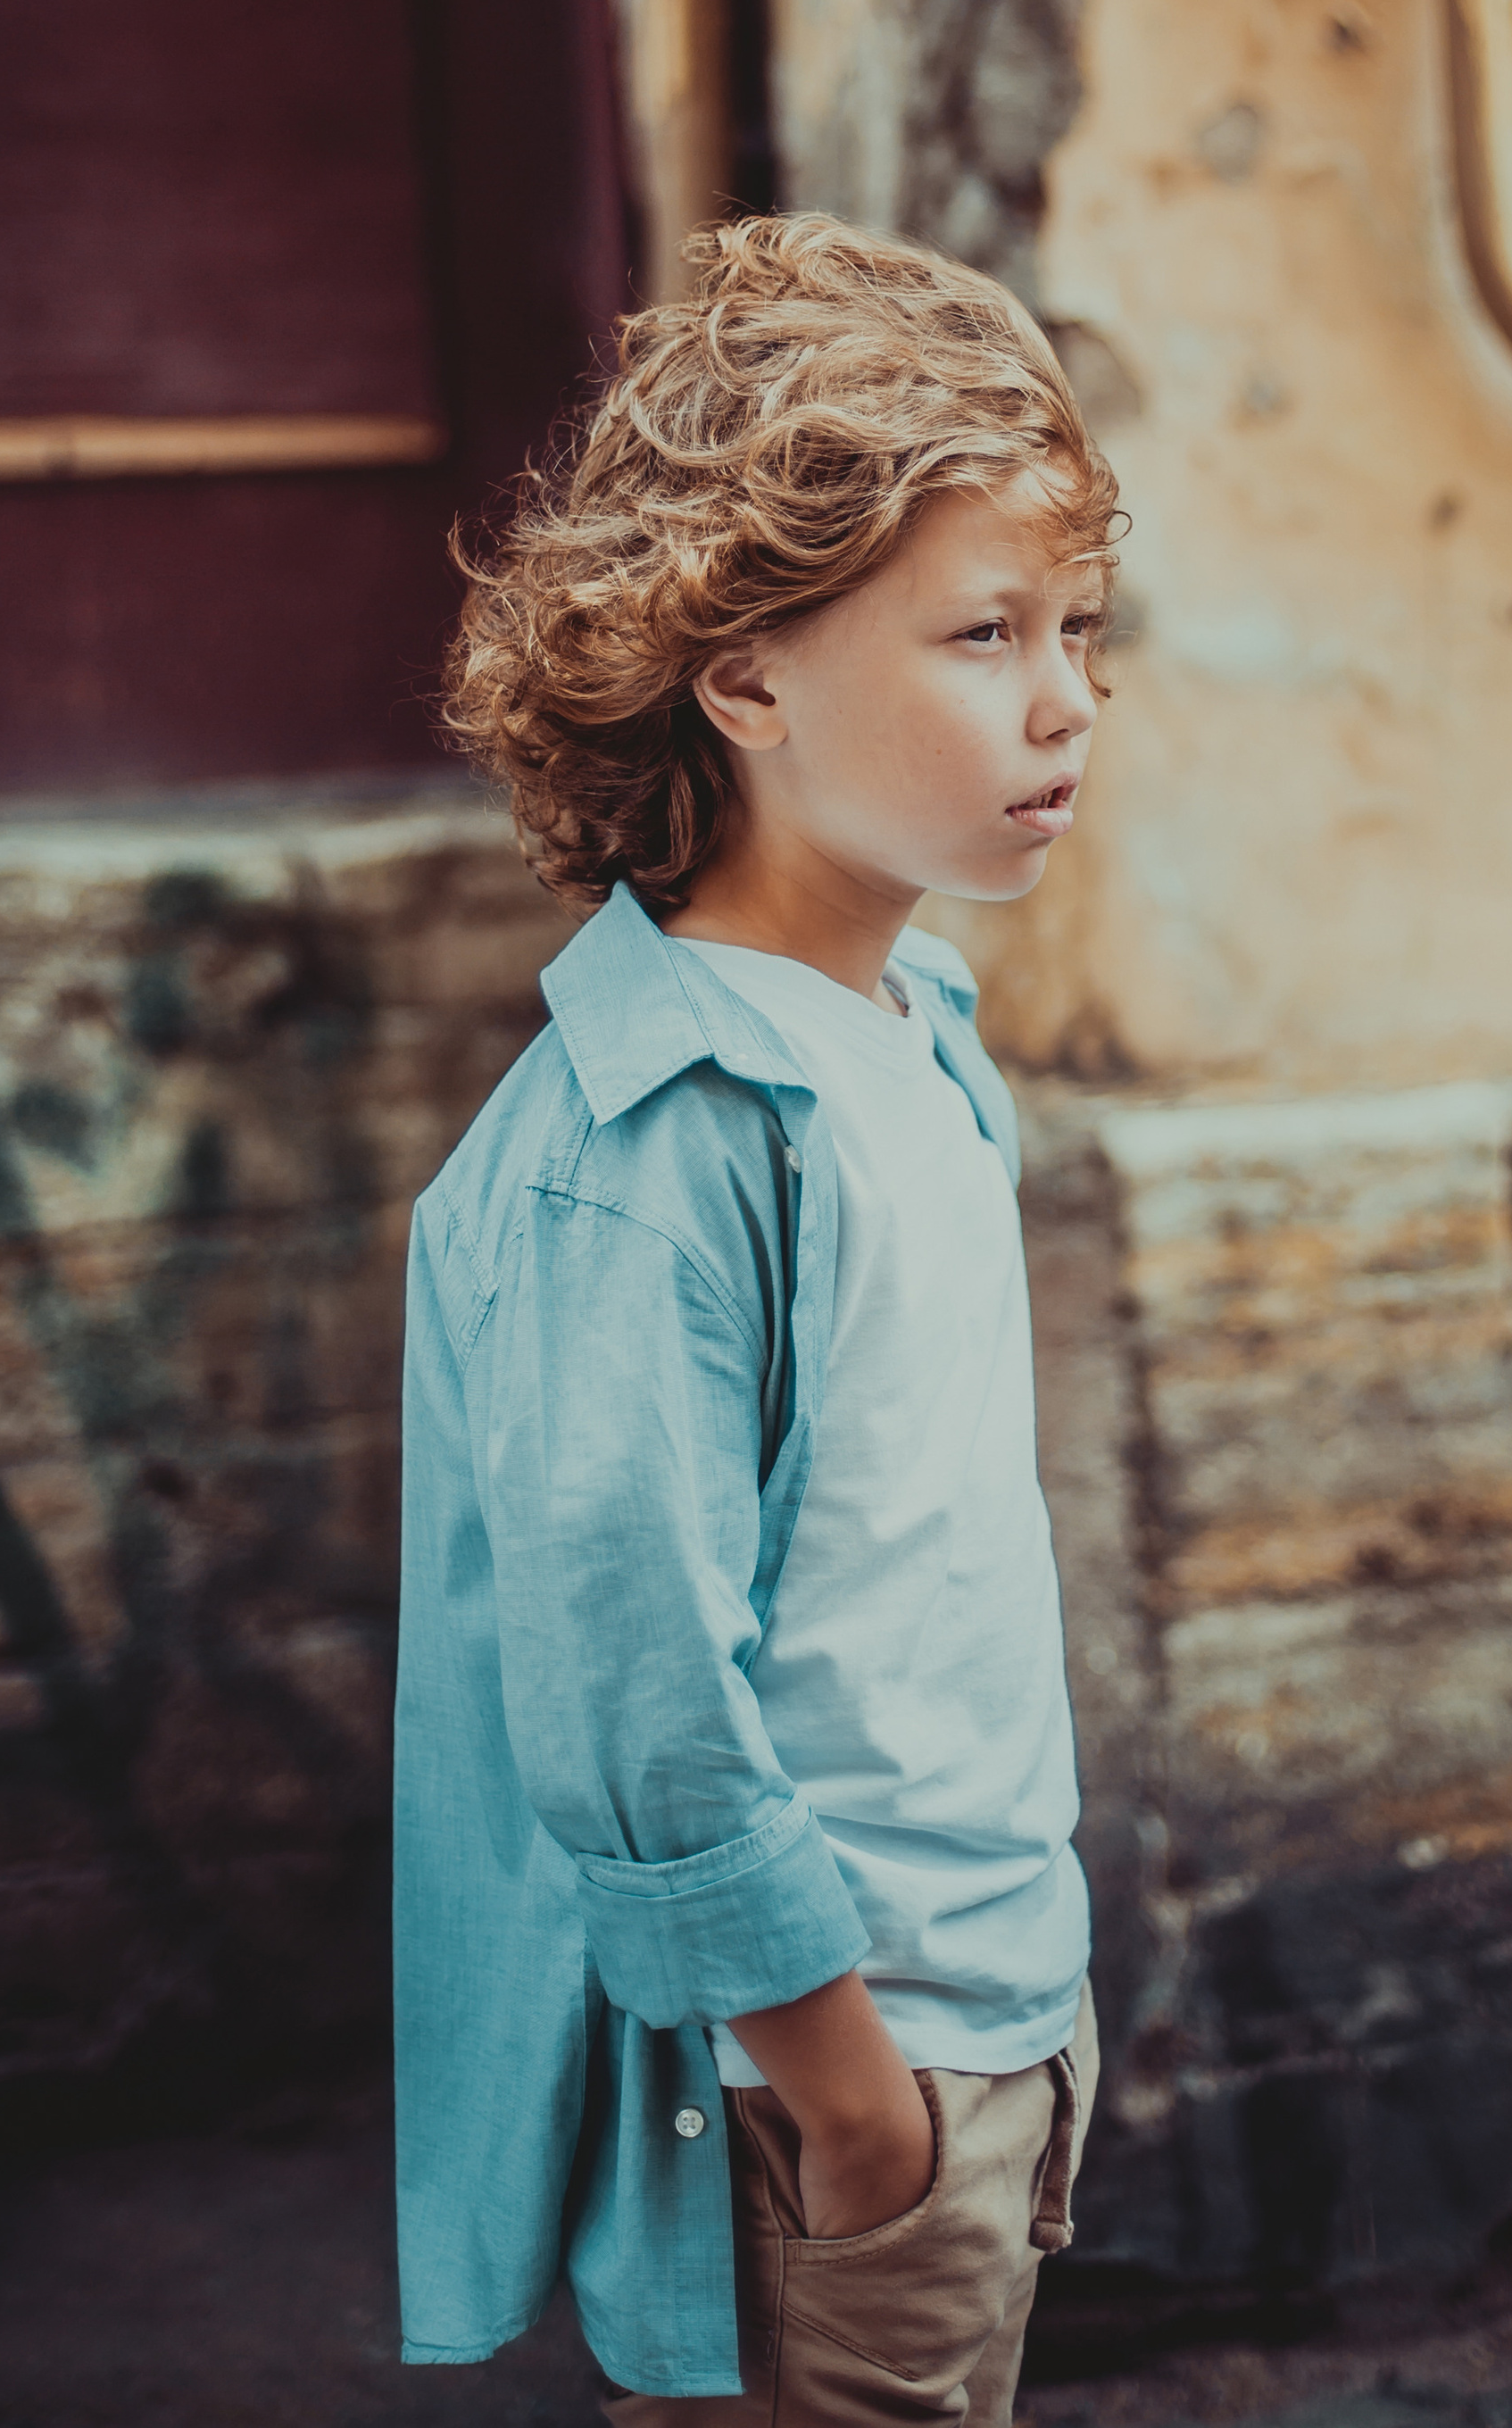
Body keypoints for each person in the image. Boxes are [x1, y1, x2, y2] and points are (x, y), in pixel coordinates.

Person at [392, 215, 1122, 2423]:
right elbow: (631, 1691)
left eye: (1078, 628)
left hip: (996, 2013)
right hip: (824, 2089)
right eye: (982, 633)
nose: (1066, 700)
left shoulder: (912, 1030)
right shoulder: (652, 1148)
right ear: (743, 678)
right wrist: (848, 2090)